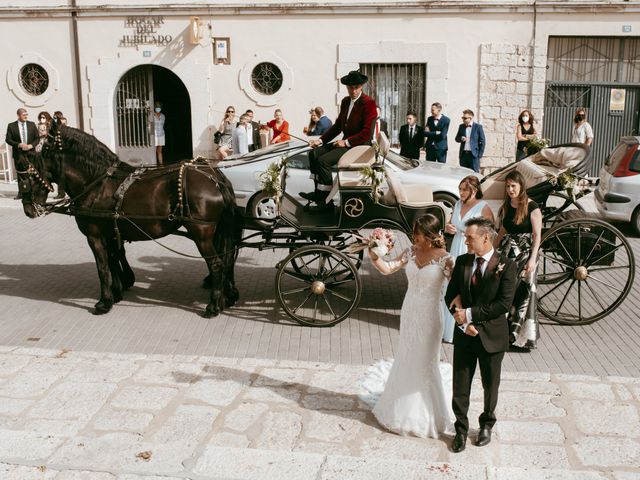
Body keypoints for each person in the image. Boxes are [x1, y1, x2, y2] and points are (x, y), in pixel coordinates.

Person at [360, 214, 455, 439]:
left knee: (424, 362)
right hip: (410, 312)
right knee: (406, 357)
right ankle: (397, 408)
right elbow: (387, 268)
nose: (414, 238)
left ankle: (426, 414)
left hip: (431, 317)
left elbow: (457, 290)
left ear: (431, 235)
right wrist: (374, 255)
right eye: (414, 234)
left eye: (418, 234)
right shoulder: (411, 251)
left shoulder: (447, 260)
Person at [445, 217, 518, 453]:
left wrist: (469, 314)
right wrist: (463, 322)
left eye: (469, 237)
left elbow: (503, 304)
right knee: (460, 386)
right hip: (465, 335)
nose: (465, 241)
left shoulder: (506, 265)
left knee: (490, 385)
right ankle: (461, 430)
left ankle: (486, 424)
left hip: (492, 337)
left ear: (486, 237)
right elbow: (450, 296)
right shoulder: (463, 261)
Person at [300, 70, 377, 212]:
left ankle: (326, 202)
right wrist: (321, 140)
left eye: (356, 87)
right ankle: (319, 193)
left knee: (323, 162)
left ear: (361, 87)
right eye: (350, 87)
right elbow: (337, 126)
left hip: (358, 145)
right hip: (347, 143)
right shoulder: (346, 101)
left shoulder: (369, 103)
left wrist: (346, 142)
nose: (353, 91)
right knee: (313, 154)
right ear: (347, 87)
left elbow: (367, 133)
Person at [442, 175, 494, 342]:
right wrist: (448, 227)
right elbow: (450, 222)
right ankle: (447, 330)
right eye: (460, 189)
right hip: (457, 246)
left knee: (467, 286)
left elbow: (490, 231)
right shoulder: (458, 204)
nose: (461, 192)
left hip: (471, 249)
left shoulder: (483, 207)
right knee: (452, 285)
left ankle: (466, 326)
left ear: (474, 190)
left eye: (464, 190)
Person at [495, 170, 542, 350]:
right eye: (507, 186)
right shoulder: (507, 205)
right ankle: (506, 333)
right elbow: (503, 231)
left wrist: (532, 260)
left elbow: (537, 236)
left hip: (526, 254)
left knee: (524, 293)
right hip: (509, 253)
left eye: (513, 186)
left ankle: (521, 337)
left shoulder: (532, 207)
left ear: (521, 186)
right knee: (507, 291)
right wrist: (492, 249)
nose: (510, 189)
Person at [5, 108, 39, 199]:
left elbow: (37, 138)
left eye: (27, 115)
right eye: (24, 115)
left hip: (31, 152)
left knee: (32, 172)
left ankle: (34, 192)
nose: (26, 116)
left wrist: (31, 145)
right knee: (21, 173)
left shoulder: (31, 125)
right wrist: (18, 144)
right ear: (18, 115)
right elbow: (8, 139)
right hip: (19, 154)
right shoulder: (11, 126)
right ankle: (21, 193)